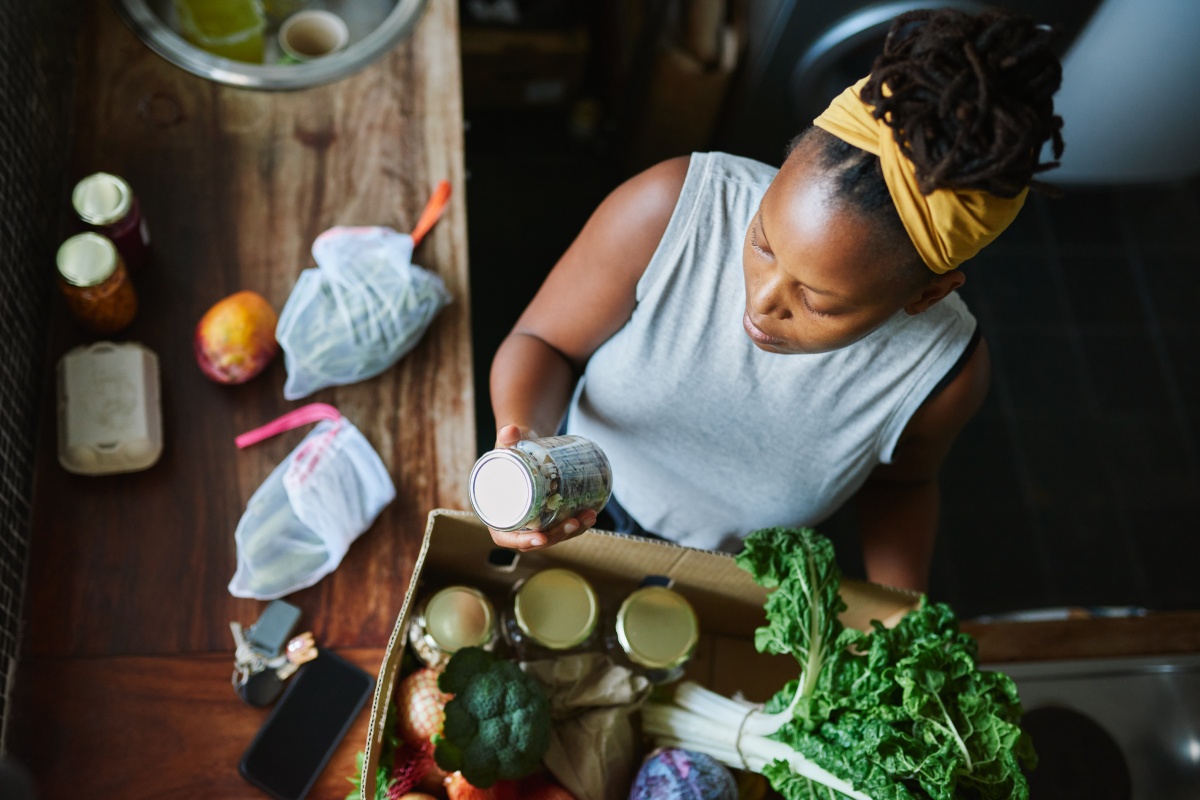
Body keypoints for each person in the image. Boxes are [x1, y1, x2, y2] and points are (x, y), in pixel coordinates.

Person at [484, 7, 1064, 591]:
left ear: (926, 294)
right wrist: (524, 441)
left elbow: (902, 484)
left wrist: (903, 611)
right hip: (573, 497)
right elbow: (543, 343)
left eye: (818, 301)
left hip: (728, 577)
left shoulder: (943, 374)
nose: (760, 303)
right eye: (761, 242)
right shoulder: (673, 208)